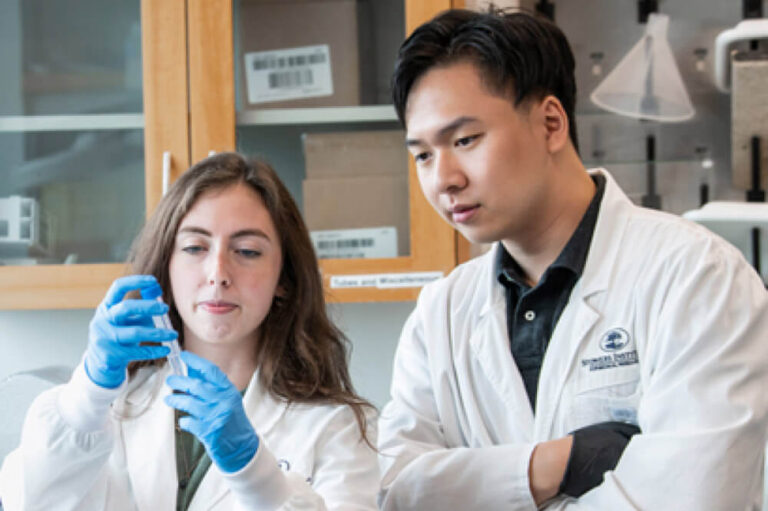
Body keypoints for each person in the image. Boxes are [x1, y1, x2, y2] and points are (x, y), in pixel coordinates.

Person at [377, 8, 768, 510]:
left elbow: (693, 500)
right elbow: (394, 490)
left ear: (551, 123)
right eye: (423, 155)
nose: (444, 178)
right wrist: (558, 463)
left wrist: (474, 487)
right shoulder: (441, 314)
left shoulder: (698, 278)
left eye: (465, 140)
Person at [0, 153, 379, 510]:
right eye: (195, 247)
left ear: (285, 278)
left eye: (247, 251)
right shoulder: (111, 405)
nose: (218, 273)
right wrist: (88, 395)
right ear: (167, 264)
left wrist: (255, 473)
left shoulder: (334, 426)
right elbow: (29, 501)